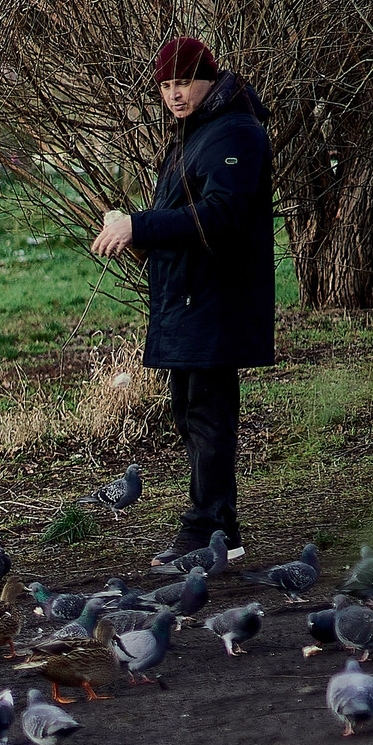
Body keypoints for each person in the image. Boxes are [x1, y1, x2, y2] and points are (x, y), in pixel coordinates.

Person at [90, 36, 274, 565]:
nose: (174, 93)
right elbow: (187, 218)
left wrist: (140, 225)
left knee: (208, 416)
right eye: (166, 85)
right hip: (188, 301)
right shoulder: (192, 135)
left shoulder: (234, 131)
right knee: (190, 414)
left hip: (215, 302)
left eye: (183, 82)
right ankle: (218, 533)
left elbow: (224, 216)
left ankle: (207, 535)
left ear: (208, 79)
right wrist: (137, 237)